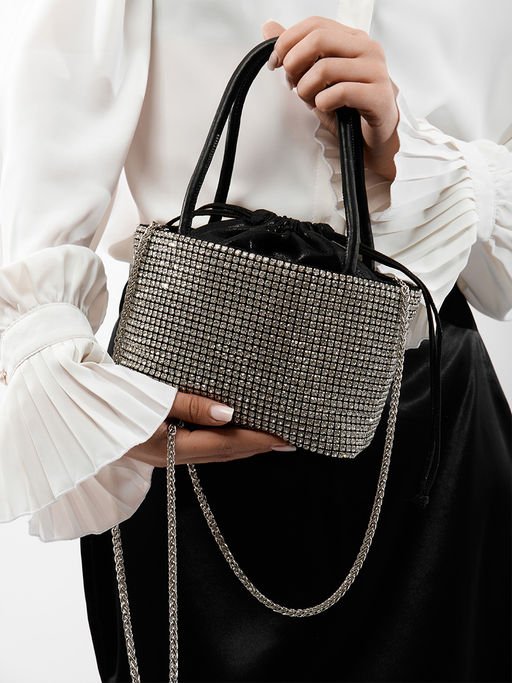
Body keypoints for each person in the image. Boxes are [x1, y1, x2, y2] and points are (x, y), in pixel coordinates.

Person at [0, 1, 510, 681]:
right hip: (193, 425)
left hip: (431, 433)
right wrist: (76, 395)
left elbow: (499, 273)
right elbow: (43, 145)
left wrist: (406, 147)